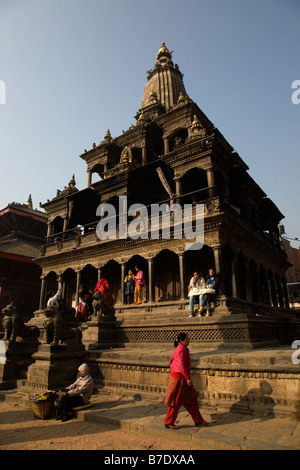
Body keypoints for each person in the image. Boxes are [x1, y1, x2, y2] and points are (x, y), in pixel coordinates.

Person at [164, 333, 208, 429]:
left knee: (192, 400)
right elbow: (181, 366)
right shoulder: (181, 351)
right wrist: (188, 378)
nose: (189, 341)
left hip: (183, 378)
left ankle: (198, 420)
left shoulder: (184, 349)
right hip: (179, 379)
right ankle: (168, 421)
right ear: (181, 341)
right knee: (175, 402)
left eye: (188, 339)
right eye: (187, 339)